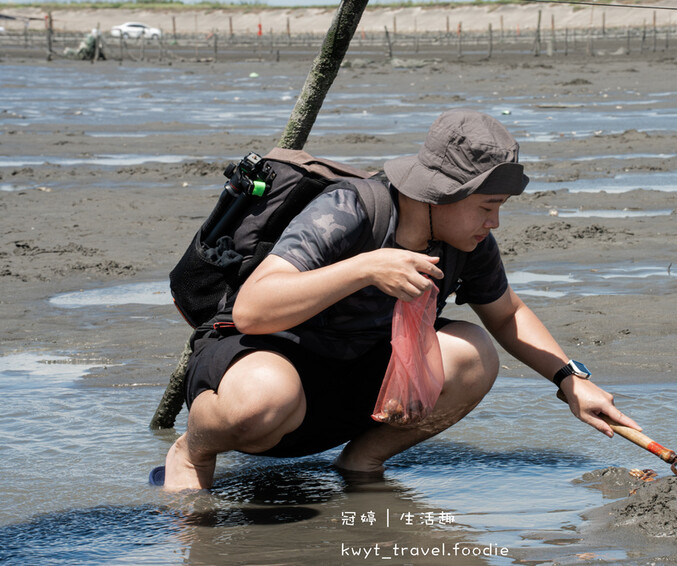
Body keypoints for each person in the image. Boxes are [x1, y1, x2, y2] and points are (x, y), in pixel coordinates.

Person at [162, 108, 640, 491]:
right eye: (487, 207)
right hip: (269, 368)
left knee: (474, 353)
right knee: (262, 399)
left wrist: (570, 381)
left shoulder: (466, 242)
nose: (494, 223)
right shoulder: (350, 209)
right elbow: (252, 309)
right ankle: (193, 451)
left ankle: (362, 461)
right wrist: (366, 267)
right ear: (443, 194)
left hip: (357, 380)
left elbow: (508, 313)